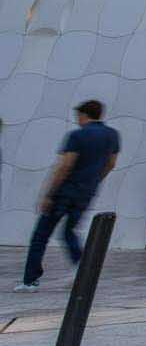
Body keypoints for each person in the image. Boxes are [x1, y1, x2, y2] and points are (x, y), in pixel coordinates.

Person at [17, 100, 120, 292]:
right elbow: (111, 163)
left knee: (40, 236)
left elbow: (65, 166)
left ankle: (30, 280)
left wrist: (49, 194)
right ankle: (81, 265)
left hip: (64, 192)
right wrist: (95, 180)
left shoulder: (77, 136)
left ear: (83, 115)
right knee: (69, 231)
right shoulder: (112, 135)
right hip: (86, 192)